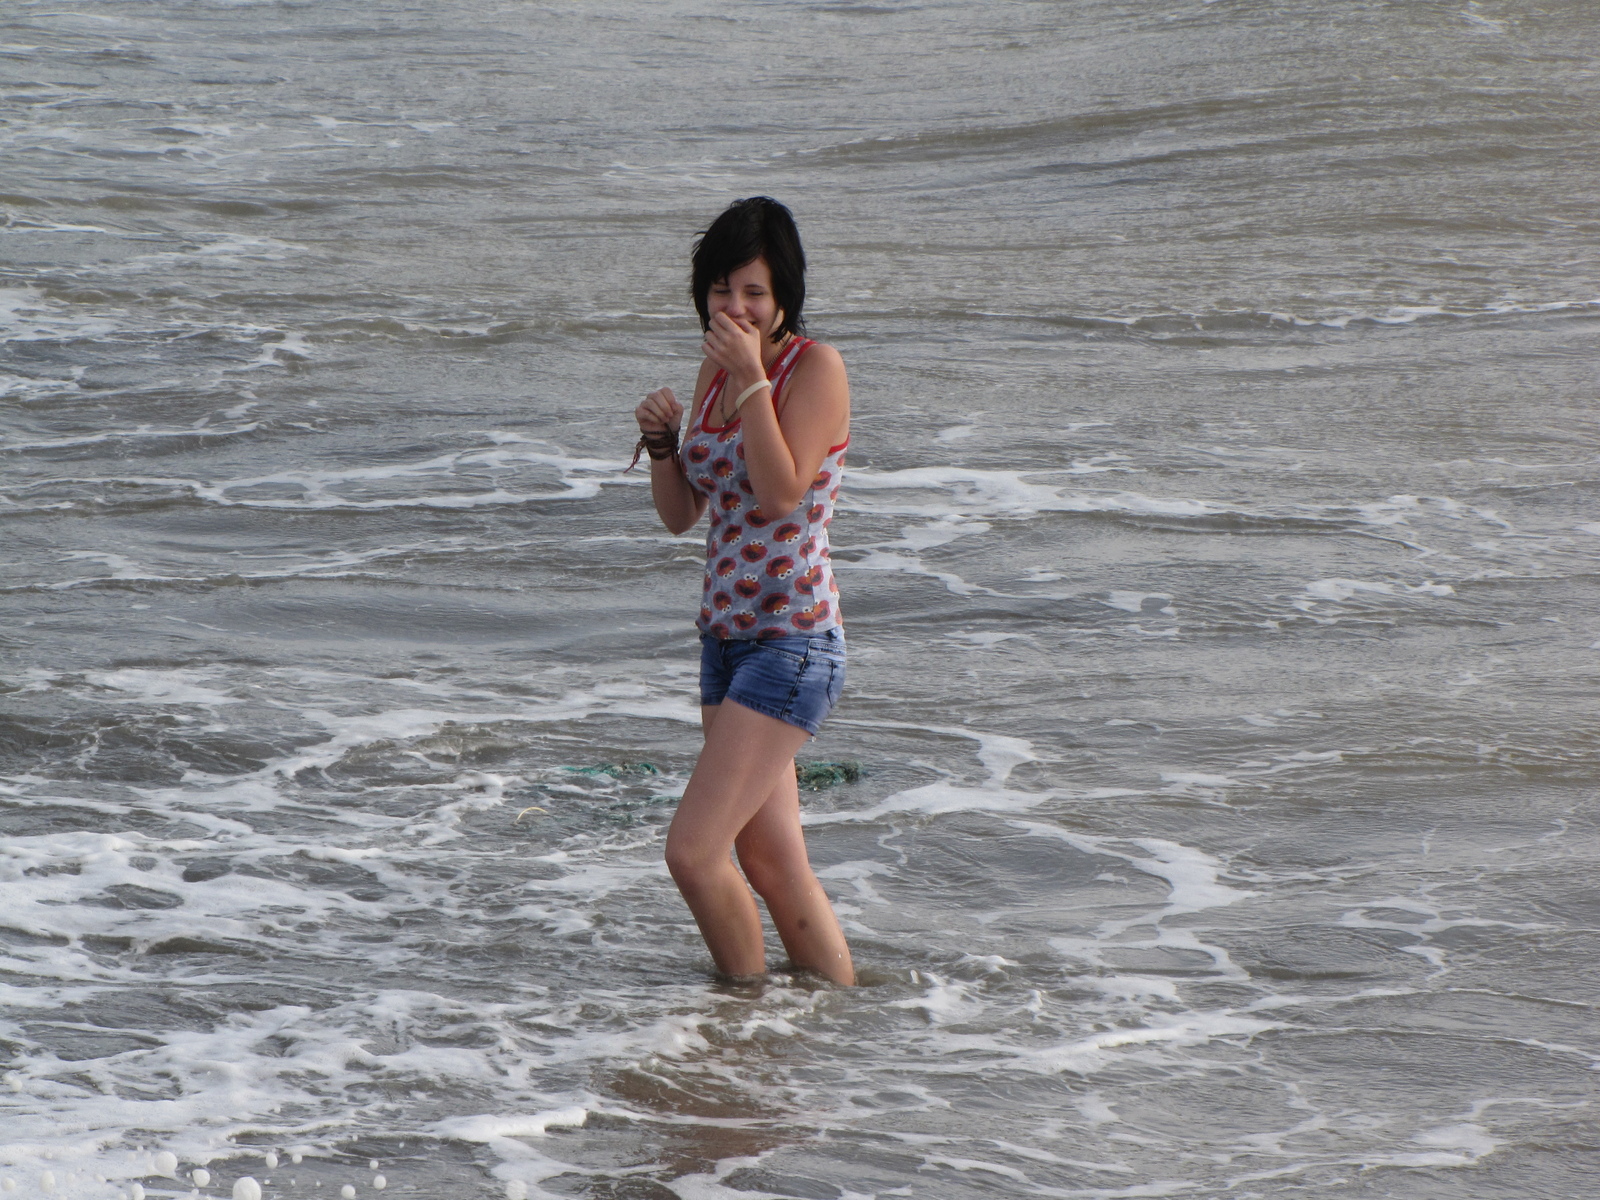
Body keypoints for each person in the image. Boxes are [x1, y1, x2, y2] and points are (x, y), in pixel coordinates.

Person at [632, 197, 855, 986]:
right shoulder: (716, 371)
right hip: (724, 644)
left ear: (784, 296)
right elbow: (682, 513)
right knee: (769, 860)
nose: (737, 307)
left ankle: (743, 1024)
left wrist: (753, 380)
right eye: (723, 289)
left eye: (753, 291)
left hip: (792, 641)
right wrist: (665, 444)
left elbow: (781, 491)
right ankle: (831, 1020)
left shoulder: (813, 369)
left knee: (692, 854)